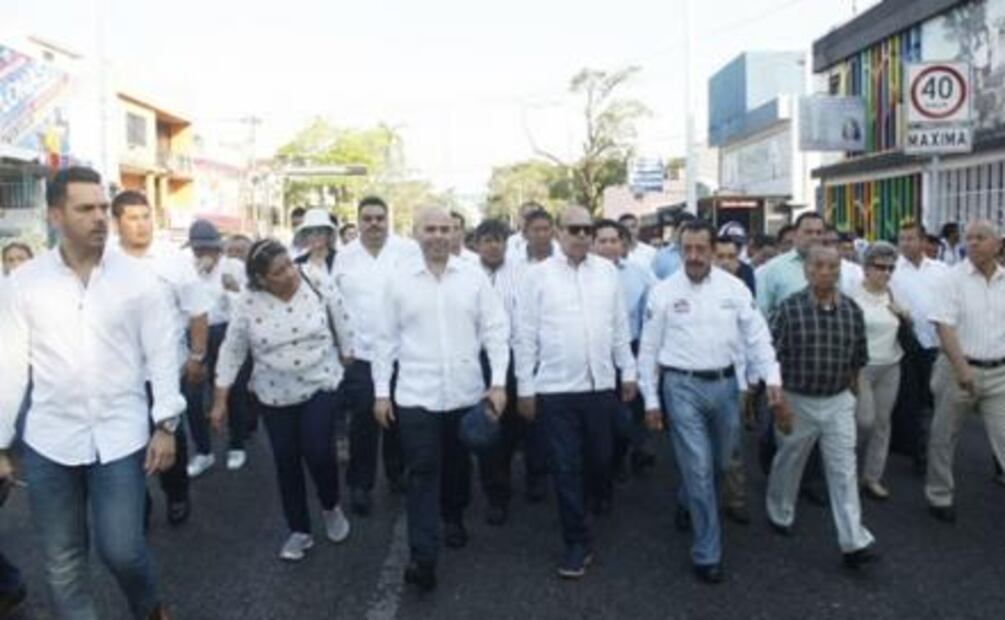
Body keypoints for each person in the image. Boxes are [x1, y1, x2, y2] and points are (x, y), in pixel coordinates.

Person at [0, 166, 181, 619]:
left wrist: (166, 425)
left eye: (104, 207)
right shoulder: (24, 283)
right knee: (63, 562)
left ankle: (149, 608)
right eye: (86, 209)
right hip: (50, 441)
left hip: (120, 437)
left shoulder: (139, 280)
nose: (101, 217)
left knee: (122, 551)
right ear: (56, 215)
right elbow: (8, 367)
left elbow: (161, 354)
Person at [372, 207, 509, 592]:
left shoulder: (474, 278)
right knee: (423, 471)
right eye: (429, 228)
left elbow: (496, 330)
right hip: (416, 394)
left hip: (465, 392)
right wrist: (382, 393)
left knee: (457, 465)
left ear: (455, 235)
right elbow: (385, 341)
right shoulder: (398, 281)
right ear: (415, 233)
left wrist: (498, 383)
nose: (437, 235)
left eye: (445, 229)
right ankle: (423, 556)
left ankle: (454, 516)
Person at [639, 220, 781, 584]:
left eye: (702, 249)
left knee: (720, 463)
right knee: (700, 467)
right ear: (680, 249)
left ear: (713, 251)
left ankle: (688, 499)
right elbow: (649, 349)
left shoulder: (734, 289)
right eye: (688, 249)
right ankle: (707, 551)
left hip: (725, 387)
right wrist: (651, 399)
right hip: (680, 387)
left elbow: (758, 336)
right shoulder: (664, 292)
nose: (694, 256)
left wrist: (772, 378)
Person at [209, 238, 353, 560]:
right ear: (261, 279)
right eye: (279, 271)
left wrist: (347, 351)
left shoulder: (313, 277)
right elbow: (232, 350)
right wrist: (219, 399)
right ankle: (300, 530)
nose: (290, 273)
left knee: (318, 451)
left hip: (319, 382)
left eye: (289, 264)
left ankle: (330, 505)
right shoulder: (248, 302)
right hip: (274, 394)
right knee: (286, 460)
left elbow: (339, 313)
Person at [514, 206, 637, 580]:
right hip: (555, 389)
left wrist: (627, 371)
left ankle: (594, 498)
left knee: (600, 459)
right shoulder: (536, 277)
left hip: (600, 386)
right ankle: (576, 541)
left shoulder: (607, 274)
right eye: (574, 229)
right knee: (566, 466)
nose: (582, 236)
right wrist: (525, 388)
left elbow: (619, 326)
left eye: (588, 229)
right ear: (557, 232)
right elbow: (525, 335)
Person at [766, 245, 878, 569]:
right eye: (819, 266)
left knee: (844, 470)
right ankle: (780, 512)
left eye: (832, 266)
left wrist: (853, 397)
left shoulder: (852, 311)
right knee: (789, 461)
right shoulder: (789, 310)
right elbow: (772, 358)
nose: (826, 272)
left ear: (839, 270)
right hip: (797, 400)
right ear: (807, 270)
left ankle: (853, 541)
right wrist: (778, 402)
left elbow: (858, 358)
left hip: (838, 400)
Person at [113, 189, 208, 527]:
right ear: (116, 223)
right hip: (120, 373)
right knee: (126, 439)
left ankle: (176, 491)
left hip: (167, 368)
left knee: (171, 435)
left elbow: (197, 311)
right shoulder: (105, 259)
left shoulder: (173, 259)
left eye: (146, 217)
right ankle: (138, 500)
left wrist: (197, 356)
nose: (141, 225)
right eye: (132, 218)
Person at [333, 196, 415, 515]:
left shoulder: (407, 252)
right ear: (358, 221)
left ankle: (397, 474)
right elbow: (336, 306)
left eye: (380, 218)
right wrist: (341, 347)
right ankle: (360, 485)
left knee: (399, 418)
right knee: (364, 422)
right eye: (367, 218)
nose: (374, 224)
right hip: (361, 354)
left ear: (388, 220)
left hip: (402, 352)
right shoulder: (345, 257)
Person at [925, 220, 1005, 523]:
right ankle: (939, 495)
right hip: (956, 369)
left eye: (980, 238)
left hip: (999, 373)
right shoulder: (952, 278)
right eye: (969, 238)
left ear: (997, 244)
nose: (972, 243)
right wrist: (962, 370)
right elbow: (943, 326)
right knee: (944, 435)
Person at [473, 218, 548, 525]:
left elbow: (533, 319)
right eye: (487, 239)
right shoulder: (466, 275)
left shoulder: (524, 274)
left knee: (527, 422)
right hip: (480, 362)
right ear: (476, 244)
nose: (494, 245)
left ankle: (535, 476)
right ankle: (497, 495)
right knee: (491, 431)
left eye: (499, 239)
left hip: (519, 360)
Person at [183, 220, 251, 476]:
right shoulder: (186, 269)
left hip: (227, 331)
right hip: (194, 333)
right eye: (197, 249)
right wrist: (197, 276)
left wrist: (232, 289)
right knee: (192, 395)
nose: (203, 254)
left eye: (207, 248)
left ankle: (237, 444)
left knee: (233, 391)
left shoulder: (233, 266)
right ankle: (203, 450)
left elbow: (248, 300)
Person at [593, 219, 656, 491]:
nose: (608, 246)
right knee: (595, 419)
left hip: (627, 353)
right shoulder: (581, 274)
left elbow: (654, 309)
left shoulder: (640, 273)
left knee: (624, 417)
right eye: (602, 241)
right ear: (594, 244)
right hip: (592, 354)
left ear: (624, 244)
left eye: (613, 240)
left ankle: (617, 460)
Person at [889, 221, 948, 474]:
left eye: (911, 238)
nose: (905, 243)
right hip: (906, 344)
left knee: (934, 401)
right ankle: (918, 451)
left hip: (936, 345)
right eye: (902, 239)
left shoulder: (942, 270)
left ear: (923, 241)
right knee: (911, 400)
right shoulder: (892, 271)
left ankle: (935, 449)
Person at [850, 242, 905, 500]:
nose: (886, 273)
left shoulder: (892, 294)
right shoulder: (852, 297)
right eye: (880, 267)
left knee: (883, 424)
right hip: (862, 368)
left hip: (891, 365)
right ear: (866, 268)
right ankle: (845, 469)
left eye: (890, 268)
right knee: (864, 421)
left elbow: (906, 324)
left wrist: (904, 314)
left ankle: (872, 477)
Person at [294, 208, 338, 287]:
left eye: (320, 231)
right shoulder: (298, 263)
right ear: (305, 236)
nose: (316, 235)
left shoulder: (340, 258)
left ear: (328, 234)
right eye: (310, 232)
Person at [651, 212, 696, 280]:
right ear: (675, 230)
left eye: (691, 230)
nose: (687, 234)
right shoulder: (662, 256)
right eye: (683, 230)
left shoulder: (703, 253)